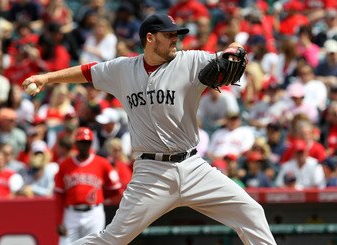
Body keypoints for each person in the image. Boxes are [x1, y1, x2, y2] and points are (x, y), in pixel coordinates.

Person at [22, 13, 276, 245]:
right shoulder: (123, 69)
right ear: (150, 38)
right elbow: (87, 72)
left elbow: (229, 55)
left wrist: (236, 48)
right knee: (113, 239)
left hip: (193, 166)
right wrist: (46, 78)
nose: (175, 39)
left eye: (177, 34)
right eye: (169, 35)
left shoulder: (191, 61)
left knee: (251, 212)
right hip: (151, 172)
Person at [54, 127, 121, 245]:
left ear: (91, 143)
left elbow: (115, 189)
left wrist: (99, 196)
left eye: (87, 142)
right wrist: (59, 220)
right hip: (71, 213)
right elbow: (59, 195)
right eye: (81, 142)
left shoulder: (102, 163)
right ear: (76, 143)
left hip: (93, 213)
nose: (84, 145)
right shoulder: (65, 164)